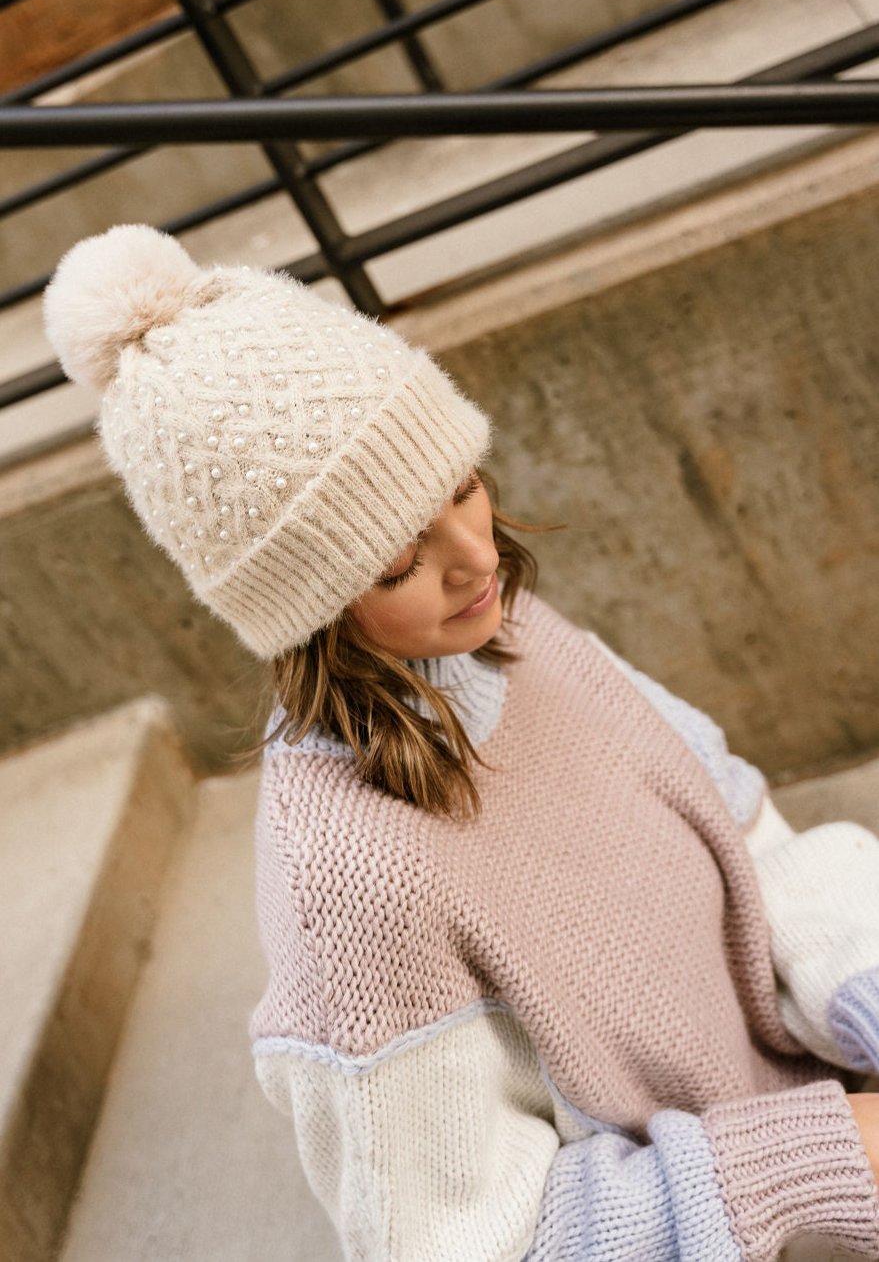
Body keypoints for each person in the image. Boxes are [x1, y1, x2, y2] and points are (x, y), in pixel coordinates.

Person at [43, 223, 879, 1261]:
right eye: (397, 562)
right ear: (304, 608)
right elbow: (471, 1242)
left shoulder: (522, 639)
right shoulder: (346, 886)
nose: (478, 554)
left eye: (458, 484)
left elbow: (748, 836)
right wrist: (821, 1155)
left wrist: (866, 986)